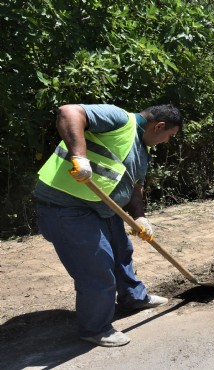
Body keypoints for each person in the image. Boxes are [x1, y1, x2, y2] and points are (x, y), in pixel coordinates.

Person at [33, 103, 183, 347]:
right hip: (67, 208)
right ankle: (95, 328)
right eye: (169, 136)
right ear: (160, 126)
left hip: (101, 208)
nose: (167, 141)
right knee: (97, 269)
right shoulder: (120, 120)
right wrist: (79, 158)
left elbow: (135, 186)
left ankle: (133, 298)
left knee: (122, 252)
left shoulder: (142, 148)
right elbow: (69, 112)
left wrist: (139, 217)